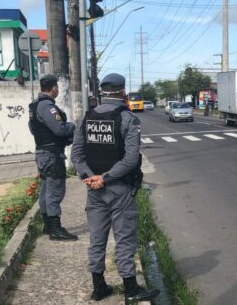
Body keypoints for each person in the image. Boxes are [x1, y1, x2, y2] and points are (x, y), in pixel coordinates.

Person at [71, 73, 159, 303]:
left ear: (102, 91)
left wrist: (90, 178)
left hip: (94, 190)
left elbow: (76, 156)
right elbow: (130, 160)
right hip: (118, 189)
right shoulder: (128, 119)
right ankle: (130, 288)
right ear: (122, 92)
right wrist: (105, 178)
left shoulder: (86, 118)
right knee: (125, 238)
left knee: (97, 238)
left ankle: (98, 286)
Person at [28, 74, 77, 241]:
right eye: (57, 87)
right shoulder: (47, 106)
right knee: (55, 191)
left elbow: (33, 129)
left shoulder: (34, 106)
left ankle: (48, 226)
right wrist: (71, 126)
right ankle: (55, 229)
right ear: (54, 88)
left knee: (46, 190)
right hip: (51, 154)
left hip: (43, 152)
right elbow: (60, 130)